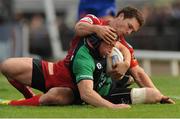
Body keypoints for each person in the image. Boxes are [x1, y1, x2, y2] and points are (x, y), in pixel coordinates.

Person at [0, 6, 174, 107]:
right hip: (62, 71)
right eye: (129, 26)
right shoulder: (94, 21)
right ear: (120, 16)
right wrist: (98, 30)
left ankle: (19, 103)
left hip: (79, 87)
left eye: (132, 31)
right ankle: (28, 96)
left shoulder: (123, 46)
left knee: (56, 97)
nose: (128, 32)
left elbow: (139, 73)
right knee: (7, 66)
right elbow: (78, 28)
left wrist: (159, 95)